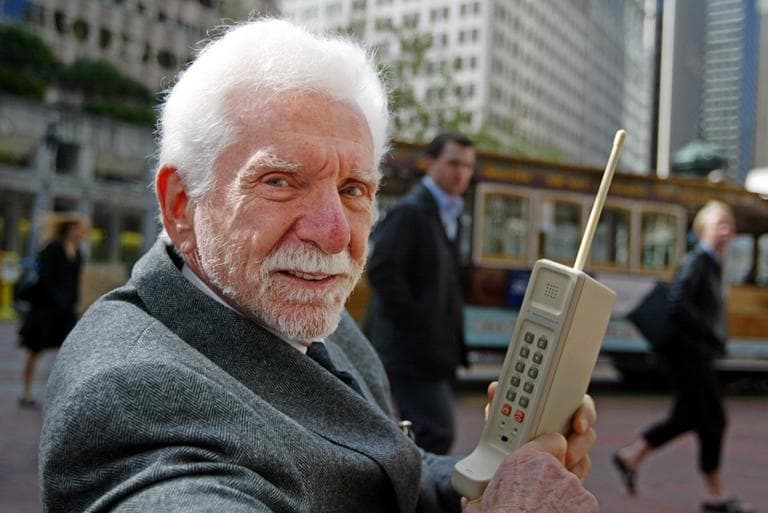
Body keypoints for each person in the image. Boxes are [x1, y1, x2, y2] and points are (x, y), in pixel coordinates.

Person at [40, 19, 599, 513]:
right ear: (181, 204)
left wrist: (495, 480)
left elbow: (390, 472)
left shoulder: (306, 310)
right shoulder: (131, 396)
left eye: (353, 189)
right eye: (280, 181)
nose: (334, 235)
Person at [613, 201, 754, 513]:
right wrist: (708, 333)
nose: (725, 231)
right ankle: (715, 495)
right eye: (718, 225)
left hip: (696, 352)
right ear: (703, 228)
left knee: (688, 417)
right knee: (713, 418)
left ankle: (631, 455)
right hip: (690, 354)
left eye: (728, 225)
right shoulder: (698, 260)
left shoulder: (713, 263)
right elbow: (677, 304)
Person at [367, 132, 474, 455]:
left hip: (429, 351)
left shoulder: (449, 213)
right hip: (411, 352)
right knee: (436, 432)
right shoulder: (411, 211)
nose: (461, 173)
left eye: (468, 166)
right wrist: (417, 324)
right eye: (453, 163)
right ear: (430, 163)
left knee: (424, 433)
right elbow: (382, 270)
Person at [17, 211, 88, 408]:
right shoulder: (53, 248)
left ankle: (65, 395)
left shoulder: (78, 253)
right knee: (35, 350)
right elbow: (45, 278)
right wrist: (58, 300)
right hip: (45, 309)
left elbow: (74, 282)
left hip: (66, 311)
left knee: (71, 351)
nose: (82, 232)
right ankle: (26, 393)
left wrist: (74, 303)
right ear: (69, 229)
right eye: (78, 228)